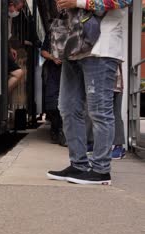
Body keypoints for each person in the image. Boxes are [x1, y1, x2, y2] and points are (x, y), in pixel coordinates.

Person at [46, 0, 132, 185]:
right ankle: (78, 165)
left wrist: (78, 2)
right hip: (74, 47)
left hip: (102, 49)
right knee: (67, 107)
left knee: (100, 111)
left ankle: (101, 170)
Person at [86, 65, 126, 159]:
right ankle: (91, 142)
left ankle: (118, 146)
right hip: (95, 80)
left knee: (115, 113)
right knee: (90, 111)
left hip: (113, 81)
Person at [41, 24, 64, 145]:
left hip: (67, 72)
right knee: (52, 105)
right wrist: (53, 58)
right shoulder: (50, 35)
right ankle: (55, 128)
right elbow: (43, 52)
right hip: (53, 72)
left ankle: (61, 131)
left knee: (64, 104)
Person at [7, 0, 25, 93]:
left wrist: (10, 48)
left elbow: (6, 37)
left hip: (4, 48)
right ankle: (3, 96)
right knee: (18, 73)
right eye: (18, 9)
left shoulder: (8, 17)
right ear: (11, 5)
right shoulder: (3, 16)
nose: (17, 12)